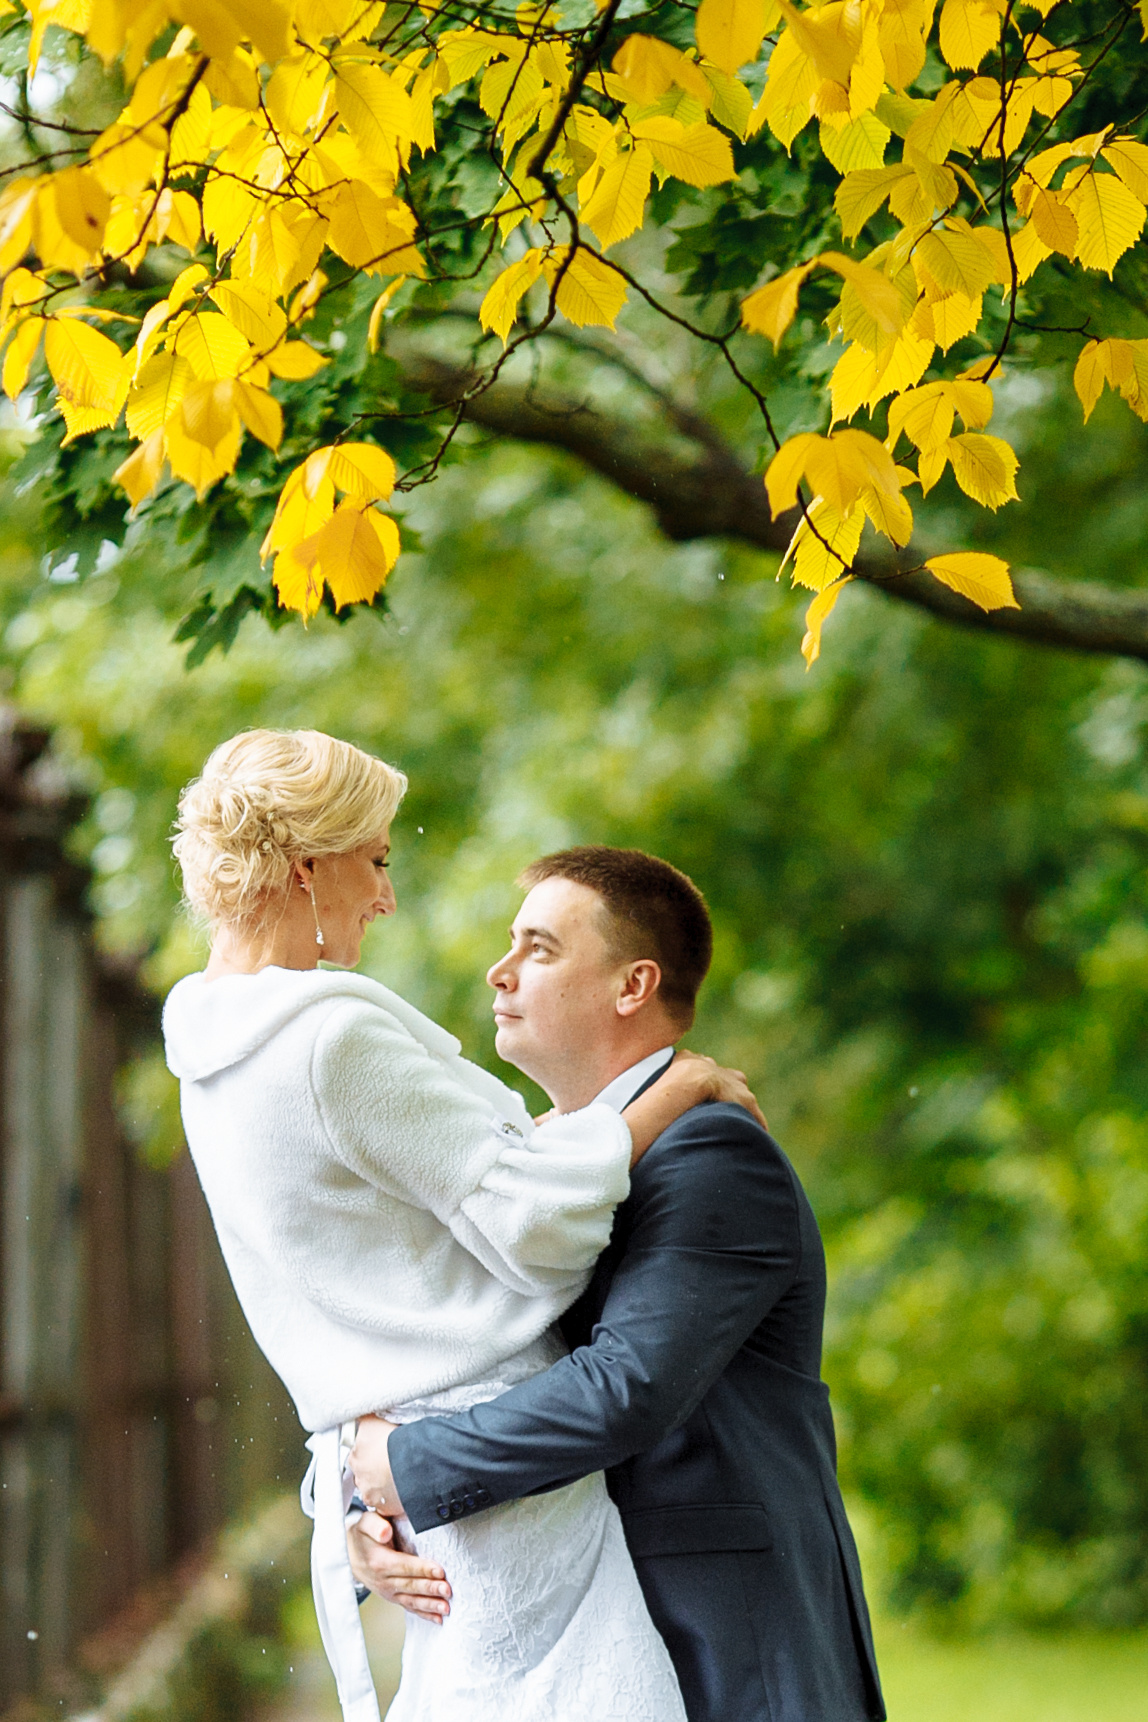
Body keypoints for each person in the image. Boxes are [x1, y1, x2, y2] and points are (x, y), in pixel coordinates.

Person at [161, 729, 763, 1722]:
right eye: (378, 860)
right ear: (310, 867)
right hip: (499, 1456)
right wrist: (673, 1091)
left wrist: (363, 1490)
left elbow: (390, 1251)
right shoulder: (331, 1038)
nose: (387, 895)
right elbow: (536, 1224)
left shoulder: (211, 1054)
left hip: (416, 1473)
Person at [347, 846, 886, 1722]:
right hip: (574, 1646)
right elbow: (456, 1352)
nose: (501, 969)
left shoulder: (711, 1155)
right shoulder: (538, 1170)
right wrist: (373, 1520)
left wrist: (406, 1468)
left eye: (540, 948)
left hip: (717, 1650)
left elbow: (626, 1389)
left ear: (632, 986)